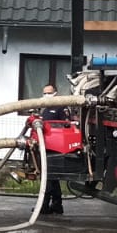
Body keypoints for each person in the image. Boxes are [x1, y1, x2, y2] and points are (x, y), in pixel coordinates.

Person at [37, 84, 66, 215]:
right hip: (46, 144)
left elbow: (65, 125)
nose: (46, 95)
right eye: (45, 93)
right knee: (52, 178)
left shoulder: (61, 108)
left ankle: (44, 206)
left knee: (48, 177)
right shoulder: (46, 109)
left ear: (55, 93)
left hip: (55, 146)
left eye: (49, 92)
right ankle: (57, 205)